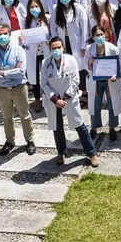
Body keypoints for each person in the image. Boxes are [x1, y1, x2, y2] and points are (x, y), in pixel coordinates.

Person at [43, 36, 99, 166]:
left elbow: (75, 81)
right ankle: (61, 152)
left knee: (79, 125)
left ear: (63, 48)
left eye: (58, 47)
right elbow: (44, 83)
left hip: (69, 98)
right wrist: (55, 99)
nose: (56, 50)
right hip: (53, 100)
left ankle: (92, 153)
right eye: (53, 48)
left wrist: (65, 97)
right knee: (57, 127)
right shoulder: (46, 63)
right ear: (50, 49)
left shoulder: (71, 60)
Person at [0, 23, 36, 156]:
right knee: (7, 117)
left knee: (24, 115)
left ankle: (30, 140)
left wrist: (2, 73)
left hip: (19, 88)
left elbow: (21, 72)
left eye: (5, 33)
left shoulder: (18, 50)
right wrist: (11, 73)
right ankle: (9, 141)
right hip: (1, 90)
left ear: (9, 34)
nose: (2, 36)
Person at [85, 25, 121, 140]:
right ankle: (94, 128)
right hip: (95, 81)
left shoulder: (113, 48)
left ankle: (112, 128)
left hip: (109, 81)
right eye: (97, 35)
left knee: (112, 104)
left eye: (101, 34)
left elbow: (120, 65)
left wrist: (115, 75)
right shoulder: (89, 49)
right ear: (92, 37)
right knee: (95, 105)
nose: (100, 37)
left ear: (105, 34)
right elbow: (85, 66)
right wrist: (89, 63)